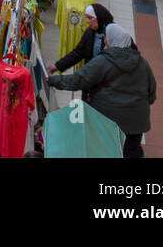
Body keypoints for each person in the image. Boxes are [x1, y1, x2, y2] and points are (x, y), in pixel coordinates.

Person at [47, 24, 155, 158]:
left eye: (106, 38)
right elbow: (152, 93)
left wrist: (53, 80)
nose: (104, 40)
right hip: (137, 121)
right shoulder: (142, 63)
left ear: (112, 40)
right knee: (130, 151)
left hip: (107, 120)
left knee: (105, 150)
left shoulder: (104, 61)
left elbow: (78, 80)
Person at [48, 4, 116, 74]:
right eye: (87, 17)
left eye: (90, 18)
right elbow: (78, 52)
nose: (87, 21)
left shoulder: (113, 33)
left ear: (99, 17)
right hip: (91, 74)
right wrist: (57, 66)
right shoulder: (90, 32)